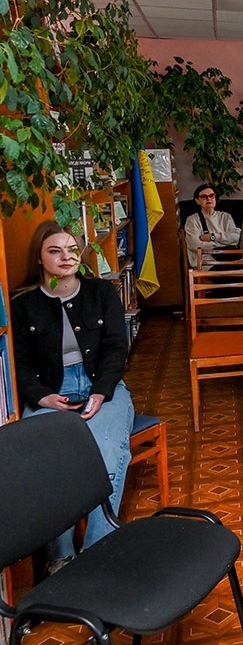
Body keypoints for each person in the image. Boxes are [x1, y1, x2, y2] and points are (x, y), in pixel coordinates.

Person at [12, 222, 135, 572]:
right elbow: (17, 363)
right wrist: (41, 397)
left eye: (71, 249)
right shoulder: (23, 304)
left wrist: (100, 392)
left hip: (103, 388)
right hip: (51, 392)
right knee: (47, 460)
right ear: (39, 257)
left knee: (109, 453)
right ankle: (61, 557)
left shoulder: (101, 293)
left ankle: (96, 552)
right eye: (55, 251)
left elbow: (116, 349)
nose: (66, 257)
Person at [184, 183, 241, 268]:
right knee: (229, 274)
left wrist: (213, 237)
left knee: (240, 271)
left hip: (228, 258)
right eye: (204, 197)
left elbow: (235, 238)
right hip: (206, 261)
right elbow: (195, 245)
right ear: (197, 200)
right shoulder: (192, 220)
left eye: (212, 196)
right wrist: (223, 243)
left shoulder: (225, 217)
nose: (209, 199)